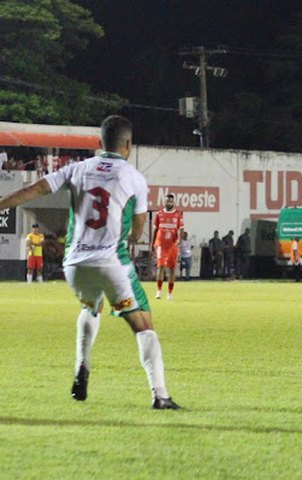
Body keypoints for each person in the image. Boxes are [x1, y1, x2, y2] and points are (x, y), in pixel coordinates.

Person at [0, 115, 180, 409]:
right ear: (128, 145)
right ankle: (160, 395)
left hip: (75, 264)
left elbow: (30, 191)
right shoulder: (134, 177)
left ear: (99, 144)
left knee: (90, 307)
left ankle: (81, 367)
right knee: (144, 326)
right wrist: (126, 230)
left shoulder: (78, 168)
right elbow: (136, 233)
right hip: (111, 263)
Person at [151, 193, 184, 300]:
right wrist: (152, 243)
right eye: (167, 201)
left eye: (171, 201)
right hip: (160, 244)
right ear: (164, 202)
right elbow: (155, 229)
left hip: (172, 245)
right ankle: (159, 291)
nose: (169, 203)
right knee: (160, 267)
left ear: (173, 202)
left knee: (172, 269)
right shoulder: (159, 214)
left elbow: (181, 228)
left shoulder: (179, 214)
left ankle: (170, 293)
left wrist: (179, 239)